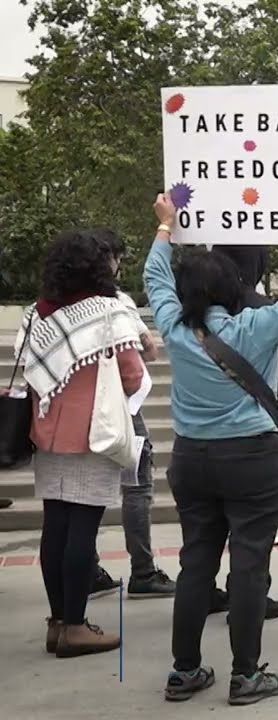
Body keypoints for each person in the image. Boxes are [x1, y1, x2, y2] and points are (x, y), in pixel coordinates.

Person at [146, 194, 278, 706]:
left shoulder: (174, 327)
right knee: (250, 564)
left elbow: (154, 278)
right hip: (251, 458)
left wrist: (165, 227)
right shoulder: (255, 327)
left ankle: (184, 670)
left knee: (196, 563)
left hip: (191, 459)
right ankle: (246, 675)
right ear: (232, 288)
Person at [12, 230, 145, 657]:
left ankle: (56, 621)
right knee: (82, 533)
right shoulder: (107, 312)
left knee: (55, 528)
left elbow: (32, 367)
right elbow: (133, 375)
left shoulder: (37, 313)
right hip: (94, 433)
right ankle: (75, 625)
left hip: (47, 431)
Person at [208, 244, 278, 621]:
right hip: (256, 434)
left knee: (202, 536)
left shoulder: (194, 308)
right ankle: (249, 600)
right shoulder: (263, 309)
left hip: (199, 439)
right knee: (253, 535)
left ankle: (201, 592)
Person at [86, 229, 176, 600]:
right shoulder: (117, 302)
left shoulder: (54, 304)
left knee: (83, 493)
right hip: (123, 412)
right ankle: (142, 571)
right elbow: (148, 352)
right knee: (136, 488)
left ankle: (86, 569)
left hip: (77, 412)